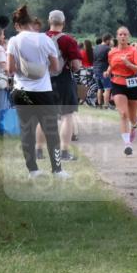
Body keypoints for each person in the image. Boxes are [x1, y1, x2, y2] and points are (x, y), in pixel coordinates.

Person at [5, 5, 68, 178]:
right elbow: (55, 68)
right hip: (43, 92)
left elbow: (10, 69)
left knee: (27, 131)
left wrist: (23, 68)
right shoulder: (45, 39)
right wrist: (41, 67)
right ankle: (57, 170)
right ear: (32, 23)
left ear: (17, 25)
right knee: (51, 132)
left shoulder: (13, 41)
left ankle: (33, 169)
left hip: (22, 92)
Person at [43, 10, 83, 162]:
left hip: (44, 81)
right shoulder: (68, 40)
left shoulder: (41, 38)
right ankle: (64, 152)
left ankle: (39, 151)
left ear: (49, 21)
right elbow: (76, 65)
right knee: (67, 116)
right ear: (63, 22)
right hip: (64, 80)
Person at [107, 26, 137, 155]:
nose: (123, 37)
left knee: (132, 116)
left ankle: (134, 125)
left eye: (125, 34)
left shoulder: (133, 51)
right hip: (117, 83)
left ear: (128, 37)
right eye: (120, 34)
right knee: (123, 114)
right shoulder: (112, 52)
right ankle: (127, 144)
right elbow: (111, 65)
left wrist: (128, 64)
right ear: (117, 37)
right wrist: (107, 71)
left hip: (133, 83)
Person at [93, 34, 112, 108]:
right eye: (110, 40)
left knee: (99, 88)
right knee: (107, 88)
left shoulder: (96, 47)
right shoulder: (108, 48)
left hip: (96, 69)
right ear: (107, 40)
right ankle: (106, 105)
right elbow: (110, 60)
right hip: (104, 70)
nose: (111, 42)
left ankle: (99, 104)